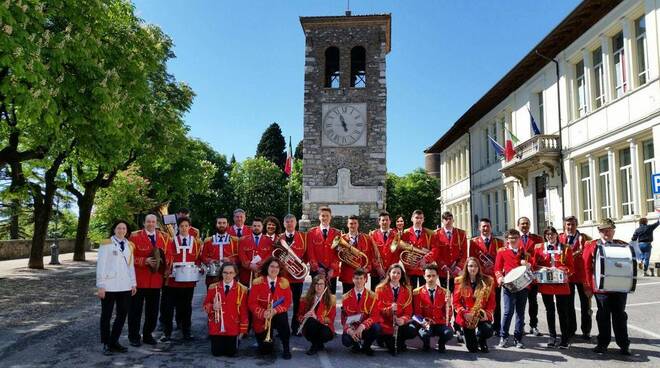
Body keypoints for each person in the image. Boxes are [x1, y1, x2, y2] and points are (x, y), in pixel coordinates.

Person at [584, 218, 631, 356]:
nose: (607, 233)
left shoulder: (622, 245)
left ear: (613, 231)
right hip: (601, 288)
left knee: (620, 316)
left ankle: (624, 344)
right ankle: (603, 344)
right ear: (599, 231)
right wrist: (587, 286)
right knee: (603, 316)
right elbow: (587, 267)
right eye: (603, 230)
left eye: (609, 230)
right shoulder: (592, 246)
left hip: (619, 287)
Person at [128, 214, 170, 347]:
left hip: (156, 281)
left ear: (156, 223)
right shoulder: (134, 237)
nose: (151, 224)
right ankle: (134, 336)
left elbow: (169, 255)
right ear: (144, 223)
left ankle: (147, 335)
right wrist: (143, 261)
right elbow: (127, 258)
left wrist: (166, 263)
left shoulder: (164, 237)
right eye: (148, 222)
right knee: (135, 310)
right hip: (139, 280)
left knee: (153, 311)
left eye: (153, 221)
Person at [97, 220, 137, 355]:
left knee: (122, 315)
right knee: (106, 316)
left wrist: (133, 283)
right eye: (119, 228)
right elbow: (100, 266)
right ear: (114, 229)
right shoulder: (106, 244)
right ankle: (105, 343)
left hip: (125, 285)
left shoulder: (130, 245)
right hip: (109, 286)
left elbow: (131, 266)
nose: (121, 230)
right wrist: (101, 285)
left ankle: (114, 341)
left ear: (127, 230)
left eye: (124, 228)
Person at [160, 216, 202, 342]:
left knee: (186, 307)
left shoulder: (196, 242)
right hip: (172, 281)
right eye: (182, 226)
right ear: (178, 227)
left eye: (186, 226)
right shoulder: (171, 241)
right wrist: (167, 268)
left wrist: (200, 268)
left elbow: (199, 258)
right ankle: (167, 332)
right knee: (168, 307)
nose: (184, 228)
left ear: (190, 227)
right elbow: (166, 257)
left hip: (188, 281)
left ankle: (186, 332)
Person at [531, 227, 573, 349]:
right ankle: (552, 336)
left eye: (552, 234)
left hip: (561, 284)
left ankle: (565, 338)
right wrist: (540, 268)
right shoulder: (539, 248)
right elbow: (534, 264)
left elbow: (571, 266)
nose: (550, 236)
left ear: (556, 234)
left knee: (563, 311)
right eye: (547, 234)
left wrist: (561, 270)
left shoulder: (565, 248)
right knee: (550, 311)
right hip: (546, 284)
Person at [248, 257, 293, 360]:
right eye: (272, 266)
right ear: (267, 267)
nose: (274, 269)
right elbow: (252, 303)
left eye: (277, 267)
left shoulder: (284, 282)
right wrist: (263, 313)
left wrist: (275, 310)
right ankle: (269, 338)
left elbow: (287, 302)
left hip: (277, 315)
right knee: (265, 351)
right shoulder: (257, 282)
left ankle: (286, 347)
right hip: (262, 317)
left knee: (283, 318)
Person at [465, 218, 504, 336]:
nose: (485, 228)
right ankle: (479, 324)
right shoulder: (474, 242)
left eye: (487, 226)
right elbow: (472, 259)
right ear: (479, 228)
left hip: (494, 277)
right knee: (478, 301)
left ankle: (497, 326)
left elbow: (501, 260)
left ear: (491, 227)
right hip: (480, 277)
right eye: (483, 226)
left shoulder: (499, 242)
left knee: (496, 302)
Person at [203, 263, 248, 357]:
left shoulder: (242, 289)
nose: (228, 275)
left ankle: (234, 341)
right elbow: (205, 306)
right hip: (216, 326)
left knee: (231, 353)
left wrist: (243, 330)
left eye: (231, 273)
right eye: (225, 273)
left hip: (232, 326)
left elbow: (244, 311)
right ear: (221, 273)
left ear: (235, 274)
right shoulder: (213, 287)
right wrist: (212, 307)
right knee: (217, 353)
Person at [494, 229, 529, 349]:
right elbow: (497, 268)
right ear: (507, 239)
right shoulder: (501, 252)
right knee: (508, 312)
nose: (513, 240)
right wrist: (500, 278)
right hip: (508, 285)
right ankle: (503, 336)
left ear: (519, 239)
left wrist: (528, 264)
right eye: (511, 238)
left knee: (520, 313)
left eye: (516, 237)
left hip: (522, 286)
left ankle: (518, 338)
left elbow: (530, 266)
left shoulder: (523, 251)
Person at [559, 215, 592, 340]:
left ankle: (586, 330)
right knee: (568, 305)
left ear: (576, 225)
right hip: (568, 276)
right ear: (564, 225)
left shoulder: (584, 238)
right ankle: (571, 329)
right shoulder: (560, 238)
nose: (570, 227)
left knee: (586, 304)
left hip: (583, 276)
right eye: (568, 224)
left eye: (572, 224)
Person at [453, 257, 495, 353]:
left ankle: (481, 340)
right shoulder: (459, 281)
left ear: (479, 268)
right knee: (473, 349)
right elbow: (456, 302)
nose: (473, 268)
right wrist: (464, 313)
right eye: (470, 266)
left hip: (480, 314)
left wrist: (486, 314)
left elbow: (492, 302)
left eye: (476, 266)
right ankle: (465, 335)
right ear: (466, 267)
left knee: (488, 330)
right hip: (467, 317)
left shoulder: (488, 281)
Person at [375, 263, 417, 355]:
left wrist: (403, 320)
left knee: (412, 330)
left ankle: (400, 340)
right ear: (389, 274)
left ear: (401, 275)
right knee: (393, 349)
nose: (396, 275)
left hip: (400, 324)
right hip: (386, 323)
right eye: (393, 272)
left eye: (398, 273)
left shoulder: (407, 290)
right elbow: (378, 310)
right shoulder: (380, 289)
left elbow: (408, 312)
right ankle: (382, 338)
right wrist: (390, 309)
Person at [412, 264, 454, 352]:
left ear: (437, 276)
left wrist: (449, 305)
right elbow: (416, 313)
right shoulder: (417, 292)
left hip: (439, 323)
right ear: (424, 276)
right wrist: (424, 323)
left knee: (449, 333)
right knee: (425, 334)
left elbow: (448, 316)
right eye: (428, 276)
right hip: (425, 323)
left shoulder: (445, 292)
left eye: (433, 276)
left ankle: (441, 343)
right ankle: (426, 344)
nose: (431, 278)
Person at [341, 268, 382, 356]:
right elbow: (344, 319)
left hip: (366, 328)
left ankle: (366, 346)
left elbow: (375, 316)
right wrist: (350, 331)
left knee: (377, 328)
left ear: (365, 280)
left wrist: (363, 326)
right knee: (346, 341)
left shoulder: (373, 296)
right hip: (353, 328)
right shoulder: (345, 297)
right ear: (353, 279)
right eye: (356, 278)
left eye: (361, 278)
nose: (358, 281)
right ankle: (355, 345)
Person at [278, 214, 307, 335]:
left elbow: (307, 255)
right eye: (287, 222)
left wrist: (302, 266)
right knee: (281, 304)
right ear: (284, 224)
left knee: (297, 304)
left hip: (297, 277)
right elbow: (275, 254)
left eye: (292, 222)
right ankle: (282, 329)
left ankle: (295, 328)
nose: (289, 224)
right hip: (283, 277)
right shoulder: (279, 238)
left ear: (296, 223)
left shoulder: (303, 237)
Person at [517, 217, 544, 336]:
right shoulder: (514, 238)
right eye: (522, 224)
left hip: (532, 275)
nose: (525, 225)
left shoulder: (537, 239)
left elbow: (541, 256)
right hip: (520, 275)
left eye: (527, 223)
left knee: (533, 302)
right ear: (518, 225)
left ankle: (534, 325)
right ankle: (520, 326)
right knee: (520, 303)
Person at [297, 275, 336, 355]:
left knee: (324, 331)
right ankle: (318, 344)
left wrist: (317, 317)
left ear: (325, 285)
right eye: (316, 284)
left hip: (325, 327)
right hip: (310, 327)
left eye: (321, 284)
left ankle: (315, 346)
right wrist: (304, 317)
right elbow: (299, 316)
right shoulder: (305, 299)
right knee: (311, 321)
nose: (319, 286)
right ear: (313, 286)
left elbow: (331, 319)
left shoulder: (331, 299)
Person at [307, 206, 340, 294]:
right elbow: (310, 252)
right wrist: (317, 268)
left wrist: (332, 268)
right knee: (316, 297)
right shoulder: (311, 233)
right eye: (322, 216)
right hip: (316, 271)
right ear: (319, 217)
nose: (324, 218)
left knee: (331, 297)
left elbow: (338, 253)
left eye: (327, 216)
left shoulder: (337, 233)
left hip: (331, 272)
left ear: (330, 217)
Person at [400, 210, 436, 288]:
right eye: (416, 218)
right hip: (410, 270)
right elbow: (402, 251)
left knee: (425, 293)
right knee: (411, 293)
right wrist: (408, 264)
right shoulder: (405, 233)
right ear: (412, 219)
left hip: (425, 270)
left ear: (423, 220)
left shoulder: (429, 233)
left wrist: (425, 259)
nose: (419, 220)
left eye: (421, 218)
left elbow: (435, 249)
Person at [339, 215, 373, 293]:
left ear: (358, 224)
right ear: (347, 225)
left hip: (361, 275)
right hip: (347, 275)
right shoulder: (342, 239)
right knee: (347, 300)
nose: (353, 225)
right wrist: (341, 251)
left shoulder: (365, 238)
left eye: (355, 223)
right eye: (351, 223)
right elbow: (338, 257)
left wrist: (367, 268)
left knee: (360, 299)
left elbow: (370, 256)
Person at [202, 216, 238, 286]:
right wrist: (210, 261)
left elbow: (239, 257)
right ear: (216, 224)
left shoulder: (235, 240)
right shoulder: (208, 240)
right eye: (219, 223)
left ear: (227, 225)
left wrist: (229, 259)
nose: (221, 225)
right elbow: (203, 257)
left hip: (230, 274)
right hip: (213, 275)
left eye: (224, 223)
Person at [237, 217, 273, 286]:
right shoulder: (243, 240)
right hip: (246, 275)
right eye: (254, 226)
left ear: (262, 227)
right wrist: (250, 265)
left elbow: (270, 255)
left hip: (263, 274)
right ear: (251, 227)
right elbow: (241, 255)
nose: (256, 228)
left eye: (259, 226)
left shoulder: (269, 241)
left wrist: (262, 263)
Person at [369, 211, 396, 291]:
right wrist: (378, 268)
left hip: (391, 272)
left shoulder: (396, 235)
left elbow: (396, 254)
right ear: (379, 222)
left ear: (390, 221)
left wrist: (390, 269)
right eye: (383, 220)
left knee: (390, 297)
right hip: (376, 272)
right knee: (375, 297)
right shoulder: (372, 235)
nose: (385, 222)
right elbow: (371, 253)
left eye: (387, 220)